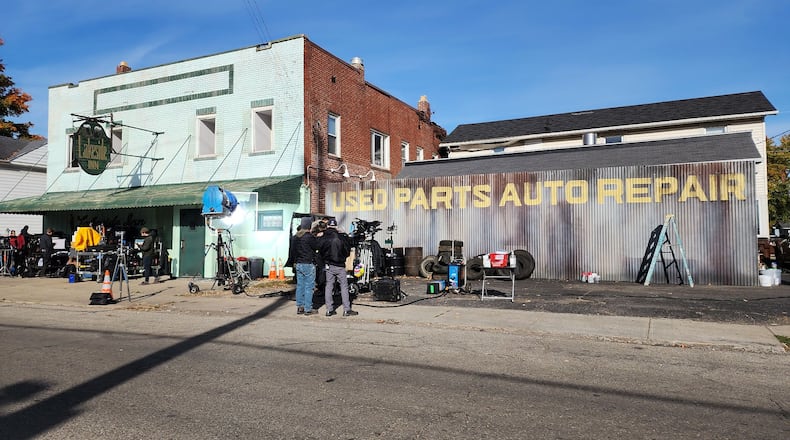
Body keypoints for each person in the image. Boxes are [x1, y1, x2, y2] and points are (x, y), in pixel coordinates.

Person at [318, 219, 358, 317]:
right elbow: (347, 249)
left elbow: (320, 250)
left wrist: (325, 260)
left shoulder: (323, 237)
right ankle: (346, 310)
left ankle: (329, 309)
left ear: (328, 226)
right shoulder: (341, 237)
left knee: (329, 286)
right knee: (344, 286)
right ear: (336, 226)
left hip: (329, 265)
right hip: (340, 265)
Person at [292, 217, 320, 315]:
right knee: (309, 286)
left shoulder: (295, 237)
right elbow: (317, 247)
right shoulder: (310, 237)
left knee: (300, 286)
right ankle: (308, 308)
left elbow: (293, 251)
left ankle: (300, 306)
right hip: (308, 264)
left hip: (299, 264)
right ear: (309, 226)